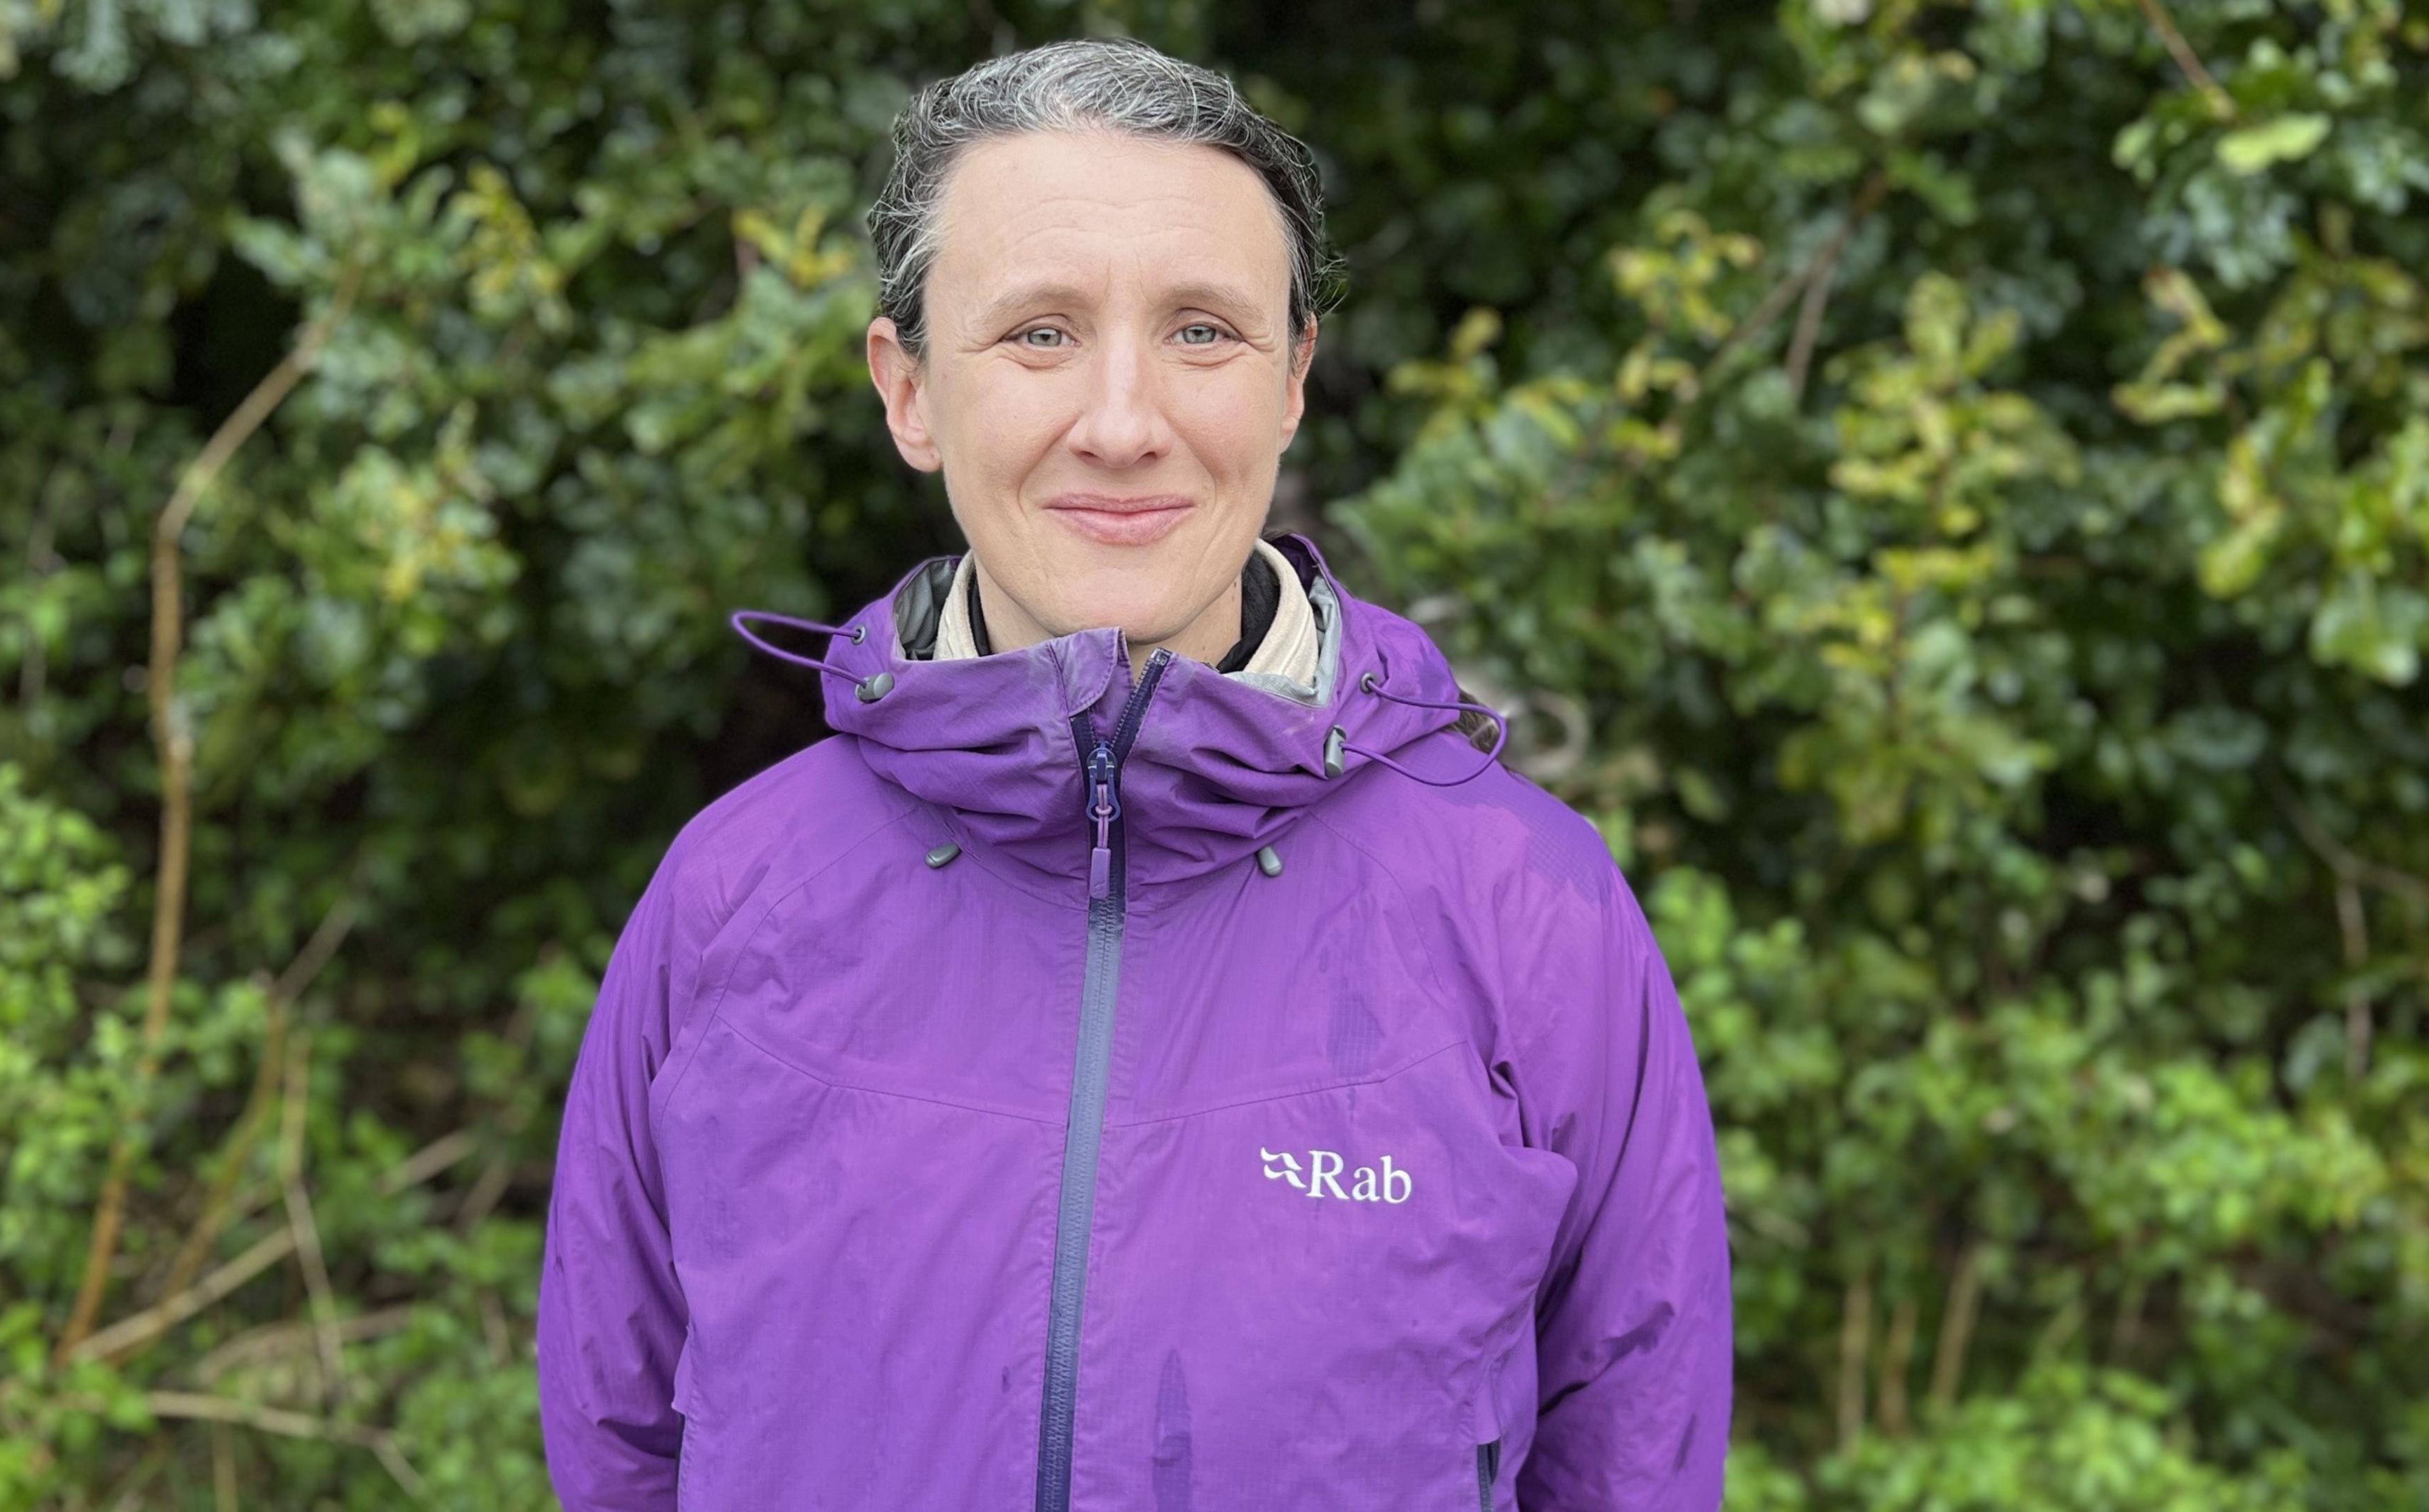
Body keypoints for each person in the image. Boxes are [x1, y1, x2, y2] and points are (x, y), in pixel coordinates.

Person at [537, 36, 1731, 1511]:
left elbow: (1636, 1454)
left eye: (1202, 332)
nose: (1120, 422)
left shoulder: (1529, 905)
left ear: (1293, 381)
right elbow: (620, 1441)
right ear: (908, 390)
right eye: (1038, 333)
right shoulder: (730, 895)